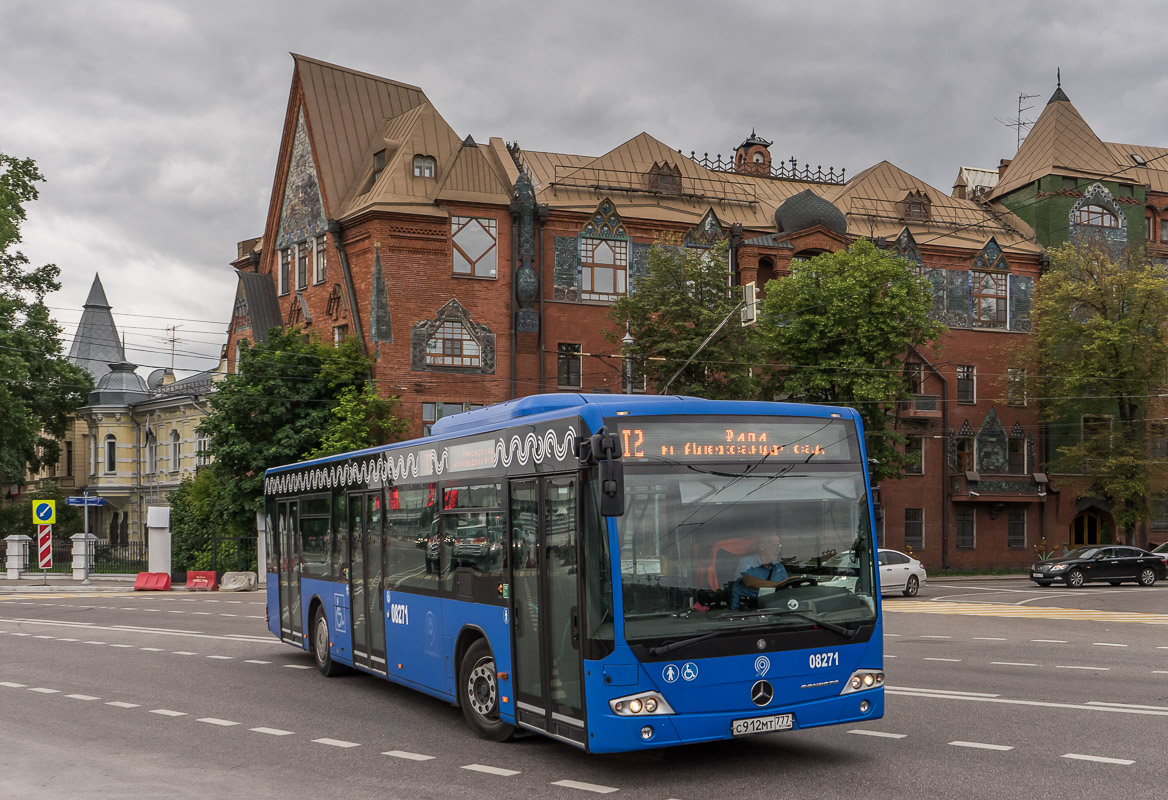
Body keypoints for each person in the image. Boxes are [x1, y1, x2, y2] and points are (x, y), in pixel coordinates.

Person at [731, 532, 792, 610]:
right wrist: (778, 585)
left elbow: (788, 591)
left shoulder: (779, 568)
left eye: (779, 546)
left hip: (773, 612)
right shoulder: (747, 562)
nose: (778, 550)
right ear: (762, 547)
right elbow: (749, 582)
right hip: (745, 614)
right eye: (775, 546)